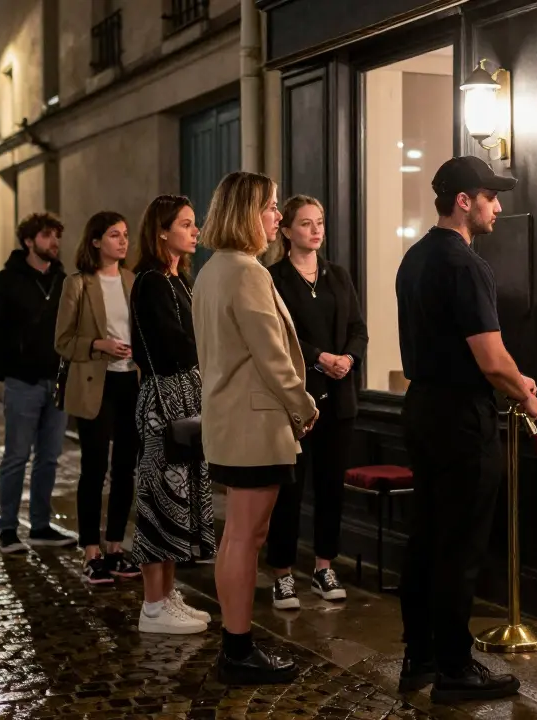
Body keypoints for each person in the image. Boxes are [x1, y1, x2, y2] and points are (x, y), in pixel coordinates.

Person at [395, 156, 537, 703]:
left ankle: (420, 657)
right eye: (490, 197)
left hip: (422, 408)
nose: (497, 207)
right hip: (461, 417)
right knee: (459, 545)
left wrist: (511, 378)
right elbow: (491, 358)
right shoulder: (465, 264)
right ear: (463, 200)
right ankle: (455, 667)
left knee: (427, 537)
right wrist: (525, 392)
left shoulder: (414, 258)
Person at [193, 172, 318, 684]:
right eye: (270, 206)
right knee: (246, 538)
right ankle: (238, 649)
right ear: (246, 213)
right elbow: (271, 355)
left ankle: (236, 644)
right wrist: (303, 406)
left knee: (240, 536)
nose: (277, 216)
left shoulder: (211, 270)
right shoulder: (246, 272)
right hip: (254, 422)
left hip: (231, 420)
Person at [265, 195, 368, 609]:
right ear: (286, 230)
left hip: (339, 399)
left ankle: (325, 566)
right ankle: (282, 573)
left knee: (330, 488)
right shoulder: (273, 279)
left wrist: (348, 359)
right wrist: (319, 358)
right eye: (306, 223)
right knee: (289, 489)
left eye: (320, 222)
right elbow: (275, 337)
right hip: (295, 398)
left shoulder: (337, 275)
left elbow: (358, 329)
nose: (316, 230)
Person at [129, 195, 215, 634]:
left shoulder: (178, 279)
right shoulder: (150, 281)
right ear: (162, 232)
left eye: (194, 223)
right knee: (159, 499)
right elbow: (173, 345)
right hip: (164, 400)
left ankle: (167, 594)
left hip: (187, 395)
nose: (195, 230)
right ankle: (152, 605)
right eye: (185, 224)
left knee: (180, 500)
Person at [0, 212, 78, 554]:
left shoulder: (64, 281)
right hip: (23, 383)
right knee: (17, 456)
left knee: (49, 458)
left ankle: (40, 526)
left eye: (57, 236)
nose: (55, 242)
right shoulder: (5, 281)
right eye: (47, 236)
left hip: (58, 381)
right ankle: (8, 529)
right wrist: (13, 361)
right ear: (29, 241)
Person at [54, 211, 141, 585]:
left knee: (125, 468)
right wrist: (98, 344)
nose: (123, 241)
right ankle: (91, 551)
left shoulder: (132, 281)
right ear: (95, 241)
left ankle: (116, 547)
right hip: (95, 384)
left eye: (125, 234)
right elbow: (62, 341)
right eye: (114, 235)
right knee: (93, 468)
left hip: (130, 382)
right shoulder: (77, 284)